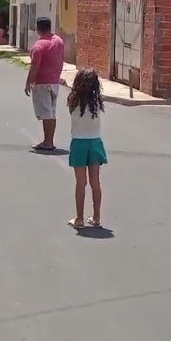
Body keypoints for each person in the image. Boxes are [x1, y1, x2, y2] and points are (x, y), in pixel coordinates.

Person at [66, 69, 107, 229]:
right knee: (95, 182)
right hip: (95, 143)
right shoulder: (97, 101)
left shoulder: (73, 100)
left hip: (79, 143)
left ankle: (79, 218)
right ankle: (96, 217)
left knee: (80, 183)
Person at [24, 17, 65, 151]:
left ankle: (48, 142)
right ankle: (49, 140)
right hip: (54, 82)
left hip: (42, 83)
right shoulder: (58, 41)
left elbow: (35, 66)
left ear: (38, 28)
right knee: (51, 113)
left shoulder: (39, 45)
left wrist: (28, 82)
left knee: (47, 114)